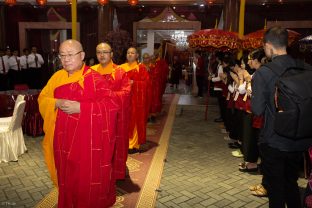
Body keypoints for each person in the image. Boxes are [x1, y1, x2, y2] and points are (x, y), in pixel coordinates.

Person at [38, 39, 119, 208]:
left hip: (86, 143)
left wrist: (81, 108)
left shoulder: (94, 78)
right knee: (66, 178)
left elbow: (111, 105)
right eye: (62, 56)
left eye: (70, 55)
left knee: (85, 180)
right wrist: (56, 102)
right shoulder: (57, 76)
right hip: (62, 141)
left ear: (82, 55)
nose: (65, 59)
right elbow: (43, 98)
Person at [251, 26, 312, 208]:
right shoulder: (307, 68)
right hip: (301, 139)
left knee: (276, 191)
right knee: (291, 184)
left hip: (274, 140)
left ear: (268, 46)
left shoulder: (264, 72)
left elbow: (257, 110)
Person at [91, 42, 131, 180]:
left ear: (111, 54)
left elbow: (126, 93)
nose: (101, 55)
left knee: (116, 143)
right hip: (95, 116)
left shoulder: (120, 72)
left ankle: (116, 171)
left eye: (105, 52)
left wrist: (108, 97)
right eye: (98, 52)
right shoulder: (91, 72)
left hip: (115, 117)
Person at [120, 47, 151, 154]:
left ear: (137, 55)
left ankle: (132, 144)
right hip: (123, 100)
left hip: (136, 100)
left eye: (132, 53)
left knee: (134, 121)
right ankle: (123, 143)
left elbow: (147, 84)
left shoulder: (141, 68)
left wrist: (135, 83)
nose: (130, 54)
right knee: (123, 122)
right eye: (128, 53)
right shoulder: (120, 68)